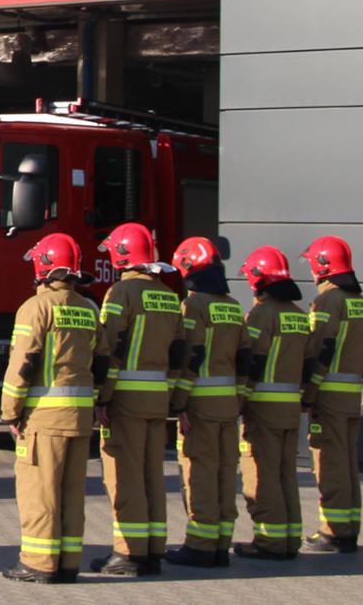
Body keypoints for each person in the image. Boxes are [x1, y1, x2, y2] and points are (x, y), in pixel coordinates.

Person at [1, 233, 100, 585]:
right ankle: (69, 562)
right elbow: (100, 361)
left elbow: (22, 364)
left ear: (44, 267)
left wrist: (10, 411)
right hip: (80, 417)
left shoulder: (36, 307)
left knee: (39, 492)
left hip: (43, 417)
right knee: (72, 493)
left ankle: (39, 563)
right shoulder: (89, 308)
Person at [88, 223, 183, 577]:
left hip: (125, 400)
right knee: (151, 476)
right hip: (157, 400)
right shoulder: (170, 296)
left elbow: (110, 349)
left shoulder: (120, 294)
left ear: (122, 255)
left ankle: (128, 553)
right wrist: (171, 396)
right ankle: (152, 550)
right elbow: (179, 353)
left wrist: (103, 397)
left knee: (124, 477)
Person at [163, 237, 244, 569]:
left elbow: (190, 356)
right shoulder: (234, 306)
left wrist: (178, 403)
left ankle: (199, 545)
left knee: (201, 474)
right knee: (226, 474)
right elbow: (245, 359)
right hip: (228, 406)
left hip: (200, 406)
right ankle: (221, 543)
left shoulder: (194, 306)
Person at [234, 246, 314, 561]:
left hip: (263, 407)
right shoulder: (298, 314)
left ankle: (269, 540)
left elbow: (254, 360)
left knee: (262, 474)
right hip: (290, 407)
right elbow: (309, 363)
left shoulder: (260, 314)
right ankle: (290, 538)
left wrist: (240, 400)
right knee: (285, 473)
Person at [299, 236, 363, 554]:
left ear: (322, 266)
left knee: (329, 463)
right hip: (351, 395)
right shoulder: (361, 303)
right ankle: (348, 528)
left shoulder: (327, 303)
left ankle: (333, 530)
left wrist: (308, 393)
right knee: (347, 464)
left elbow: (320, 349)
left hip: (328, 395)